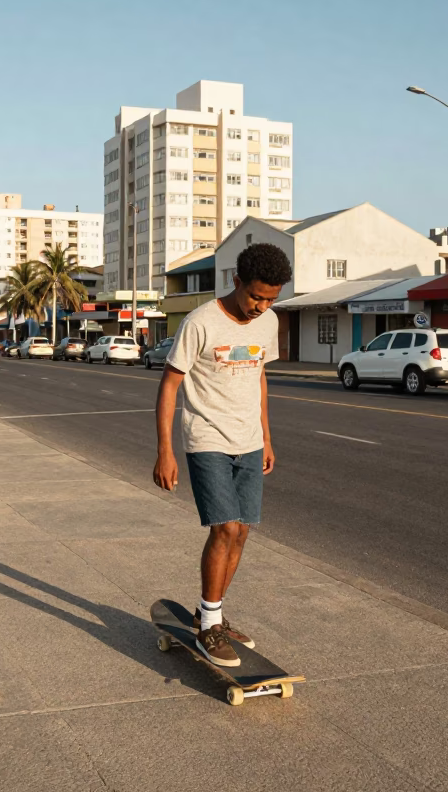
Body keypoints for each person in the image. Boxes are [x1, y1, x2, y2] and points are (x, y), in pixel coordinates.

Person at [152, 243, 292, 668]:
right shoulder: (201, 322)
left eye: (271, 299)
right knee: (225, 528)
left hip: (248, 441)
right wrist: (165, 451)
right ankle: (209, 628)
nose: (261, 306)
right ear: (236, 281)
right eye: (256, 296)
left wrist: (266, 437)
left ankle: (209, 611)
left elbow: (260, 377)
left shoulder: (267, 322)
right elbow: (170, 385)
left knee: (243, 531)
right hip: (206, 438)